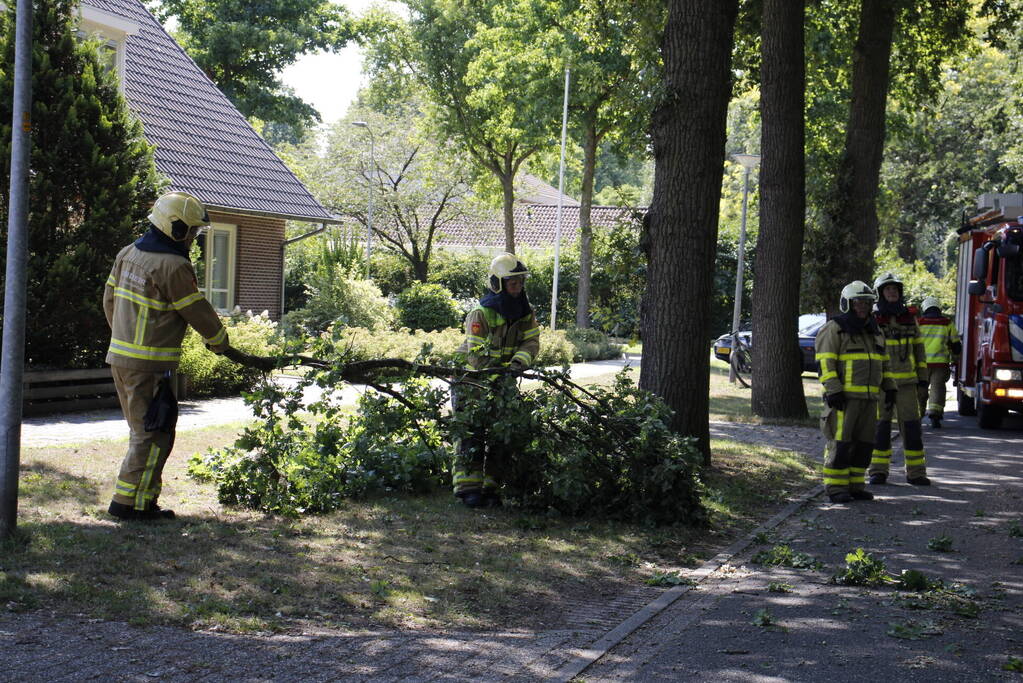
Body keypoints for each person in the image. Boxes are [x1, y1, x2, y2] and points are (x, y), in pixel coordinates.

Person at [104, 191, 231, 521]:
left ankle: (142, 501)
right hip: (149, 366)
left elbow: (109, 301)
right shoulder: (173, 265)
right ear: (173, 227)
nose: (193, 238)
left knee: (150, 431)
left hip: (121, 359)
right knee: (153, 434)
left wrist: (124, 340)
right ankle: (128, 505)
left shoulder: (127, 254)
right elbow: (197, 311)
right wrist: (220, 342)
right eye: (191, 231)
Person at [451, 253, 540, 509]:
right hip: (471, 382)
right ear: (498, 284)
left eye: (521, 282)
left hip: (503, 381)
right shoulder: (480, 314)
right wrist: (499, 375)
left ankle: (491, 489)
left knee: (501, 435)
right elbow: (475, 354)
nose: (518, 287)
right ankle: (468, 490)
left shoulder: (525, 312)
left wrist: (517, 364)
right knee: (472, 435)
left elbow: (531, 341)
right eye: (513, 283)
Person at [815, 281, 895, 503]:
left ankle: (855, 485)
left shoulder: (875, 330)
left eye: (867, 302)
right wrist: (834, 391)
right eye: (858, 302)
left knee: (864, 446)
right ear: (848, 304)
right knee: (840, 444)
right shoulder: (834, 329)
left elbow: (884, 363)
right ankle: (836, 488)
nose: (862, 306)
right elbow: (825, 362)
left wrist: (890, 388)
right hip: (844, 400)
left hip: (869, 400)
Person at [869, 272, 931, 486]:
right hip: (881, 385)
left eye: (895, 289)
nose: (892, 292)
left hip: (906, 385)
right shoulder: (872, 319)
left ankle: (916, 473)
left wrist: (923, 380)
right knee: (881, 428)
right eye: (888, 289)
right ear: (880, 293)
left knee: (912, 428)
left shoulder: (909, 317)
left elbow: (919, 351)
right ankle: (877, 471)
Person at [916, 296, 961, 428]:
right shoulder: (947, 323)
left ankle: (917, 416)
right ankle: (935, 414)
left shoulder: (919, 322)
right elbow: (956, 345)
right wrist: (955, 358)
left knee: (920, 390)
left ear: (925, 308)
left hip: (921, 364)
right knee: (937, 388)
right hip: (940, 364)